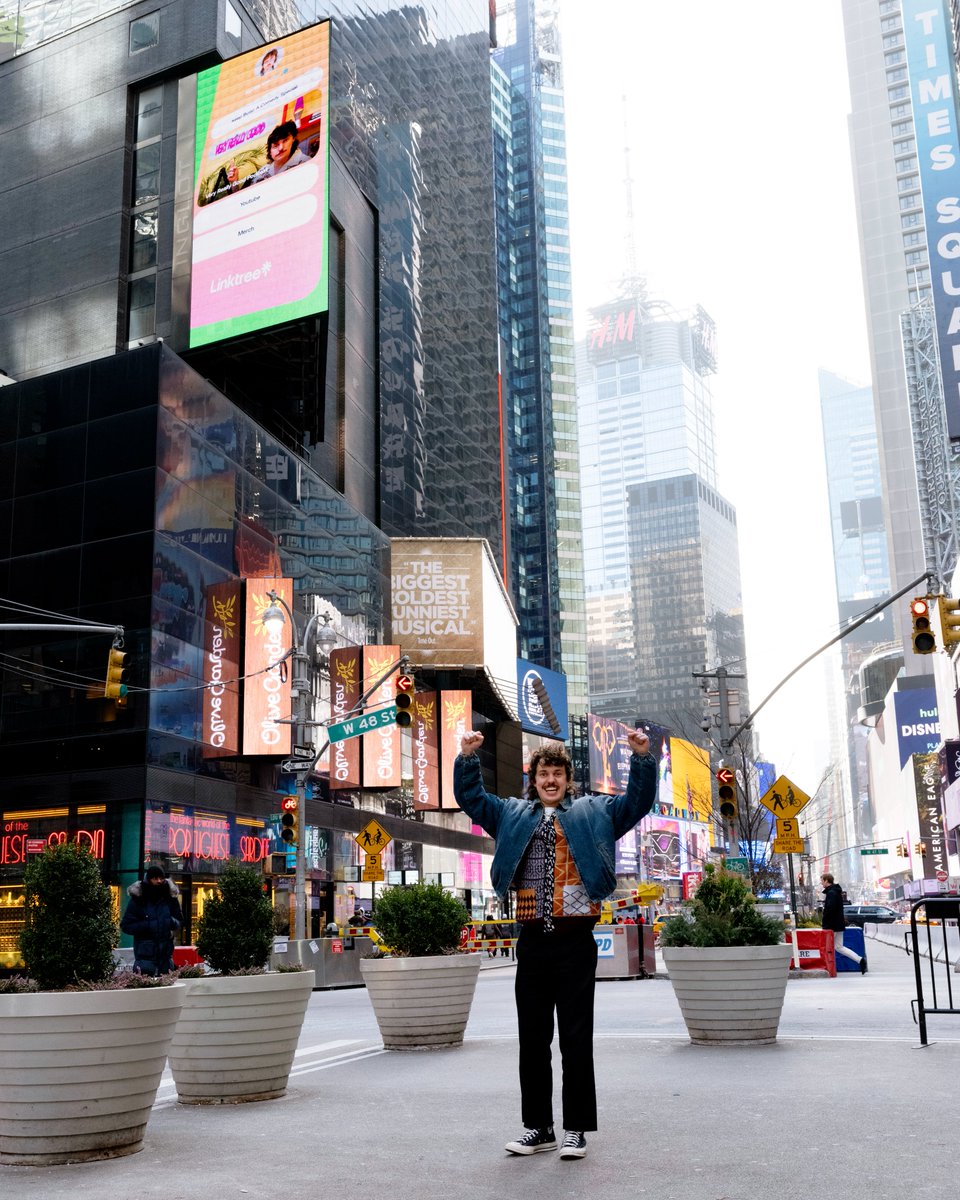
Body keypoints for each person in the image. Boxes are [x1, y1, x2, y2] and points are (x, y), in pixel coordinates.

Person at [454, 728, 656, 1161]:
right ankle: (539, 1128)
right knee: (532, 1040)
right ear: (533, 778)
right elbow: (472, 800)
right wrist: (468, 759)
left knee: (576, 1039)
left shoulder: (593, 812)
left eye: (557, 774)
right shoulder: (510, 813)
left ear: (568, 780)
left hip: (575, 941)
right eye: (543, 773)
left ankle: (576, 1130)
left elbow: (637, 803)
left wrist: (641, 758)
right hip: (531, 944)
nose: (550, 780)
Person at [120, 865, 183, 975]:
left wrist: (170, 922)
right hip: (144, 958)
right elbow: (126, 925)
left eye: (161, 878)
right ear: (149, 879)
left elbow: (180, 921)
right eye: (155, 878)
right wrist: (148, 925)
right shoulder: (138, 898)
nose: (159, 881)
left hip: (166, 958)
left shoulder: (170, 897)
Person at [820, 873, 866, 974]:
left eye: (822, 880)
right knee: (839, 947)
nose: (821, 883)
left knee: (826, 947)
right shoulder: (835, 891)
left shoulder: (831, 892)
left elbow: (830, 909)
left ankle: (826, 968)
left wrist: (825, 919)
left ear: (827, 880)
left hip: (831, 926)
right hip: (838, 925)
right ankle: (860, 960)